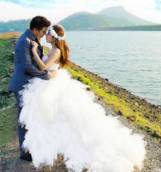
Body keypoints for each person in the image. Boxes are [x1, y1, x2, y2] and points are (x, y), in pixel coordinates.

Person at [17, 23, 147, 172]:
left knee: (60, 117)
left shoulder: (56, 51)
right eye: (45, 32)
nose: (45, 35)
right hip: (50, 82)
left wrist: (33, 51)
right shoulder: (54, 49)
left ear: (53, 37)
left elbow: (43, 67)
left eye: (48, 33)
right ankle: (59, 146)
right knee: (57, 119)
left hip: (51, 85)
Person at [8, 16, 54, 161]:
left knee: (30, 117)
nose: (44, 34)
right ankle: (24, 152)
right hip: (21, 85)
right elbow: (27, 66)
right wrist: (45, 75)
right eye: (44, 31)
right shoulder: (24, 41)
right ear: (35, 29)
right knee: (24, 120)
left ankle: (31, 145)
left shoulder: (32, 39)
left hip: (28, 84)